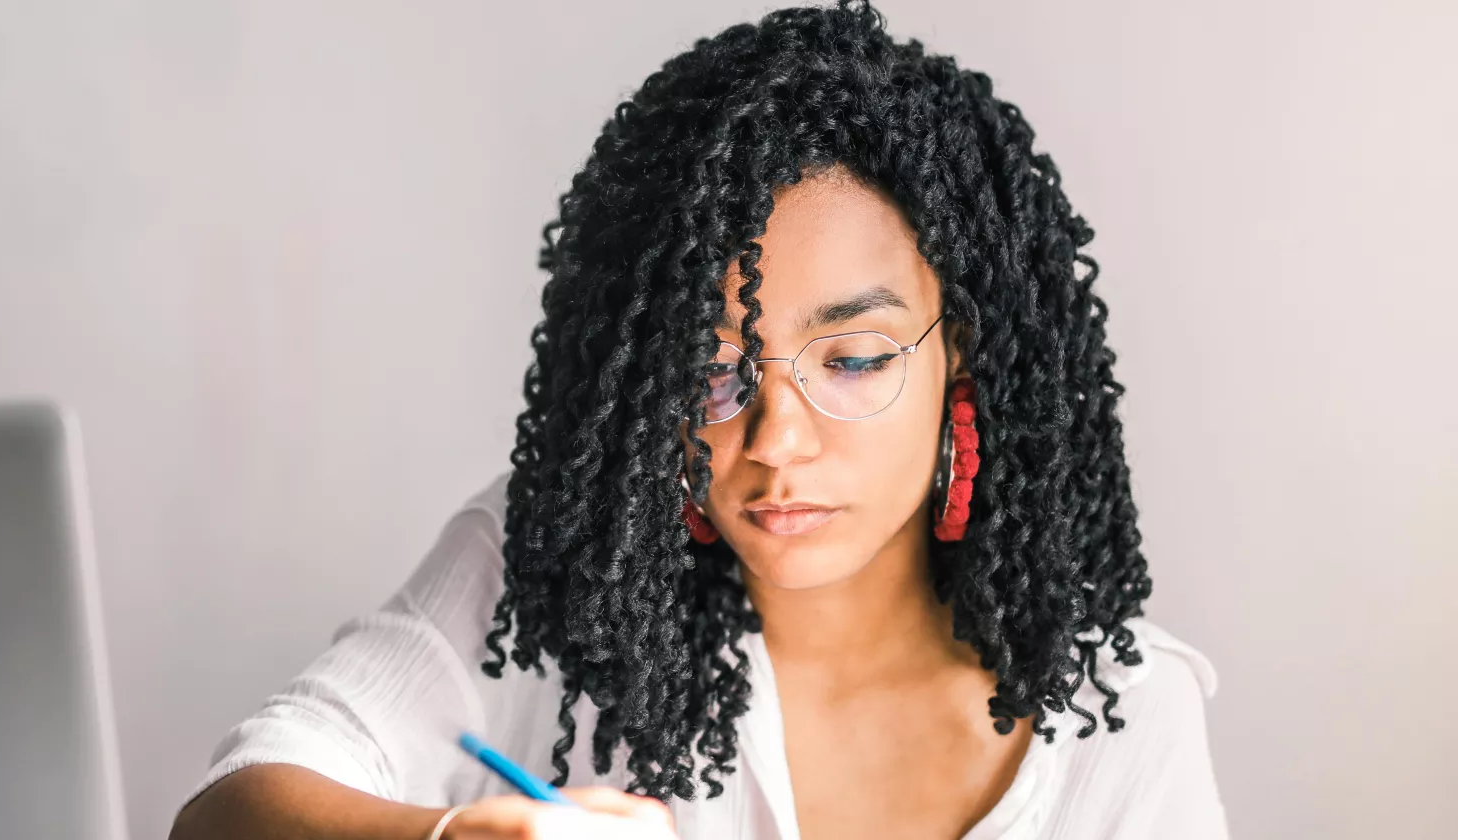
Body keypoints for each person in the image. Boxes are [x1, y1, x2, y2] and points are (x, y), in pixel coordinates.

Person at [168, 1, 1226, 837]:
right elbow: (225, 814)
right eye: (707, 372)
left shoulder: (1118, 717)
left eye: (851, 361)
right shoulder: (551, 569)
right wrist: (460, 839)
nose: (773, 440)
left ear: (967, 360)